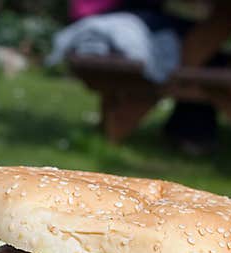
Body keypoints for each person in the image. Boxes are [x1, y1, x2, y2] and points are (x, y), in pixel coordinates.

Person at [69, 0, 219, 154]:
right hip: (109, 13)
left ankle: (190, 129)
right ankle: (192, 131)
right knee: (200, 37)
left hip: (116, 11)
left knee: (202, 38)